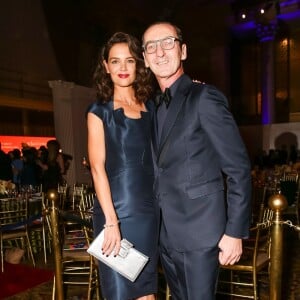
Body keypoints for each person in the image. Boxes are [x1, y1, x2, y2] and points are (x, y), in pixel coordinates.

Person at [142, 22, 252, 300]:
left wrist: (235, 232)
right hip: (165, 234)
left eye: (168, 42)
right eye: (151, 46)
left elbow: (238, 168)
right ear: (144, 58)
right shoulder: (151, 106)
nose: (160, 52)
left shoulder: (205, 97)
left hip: (201, 232)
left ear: (183, 50)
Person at [86, 32, 158, 300]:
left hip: (149, 214)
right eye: (115, 62)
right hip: (115, 214)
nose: (123, 68)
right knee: (120, 293)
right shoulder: (99, 112)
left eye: (129, 60)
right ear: (106, 66)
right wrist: (111, 222)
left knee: (147, 294)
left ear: (138, 64)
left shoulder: (152, 108)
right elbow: (96, 168)